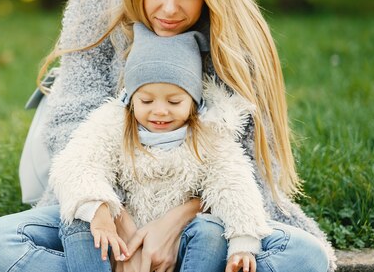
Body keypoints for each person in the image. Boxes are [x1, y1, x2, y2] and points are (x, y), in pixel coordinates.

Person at [0, 0, 335, 272]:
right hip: (98, 217)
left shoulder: (235, 29)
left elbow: (248, 165)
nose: (170, 7)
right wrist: (114, 219)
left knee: (305, 257)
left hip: (207, 223)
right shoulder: (97, 6)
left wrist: (177, 221)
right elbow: (70, 123)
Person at [51, 22, 273, 272]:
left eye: (174, 101)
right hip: (117, 240)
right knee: (76, 221)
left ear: (194, 102)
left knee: (212, 232)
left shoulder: (209, 136)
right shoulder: (114, 125)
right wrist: (98, 210)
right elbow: (76, 163)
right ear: (130, 99)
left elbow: (235, 184)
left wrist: (243, 244)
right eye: (146, 100)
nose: (160, 111)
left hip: (179, 247)